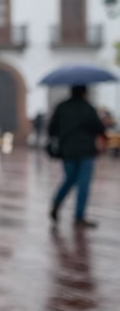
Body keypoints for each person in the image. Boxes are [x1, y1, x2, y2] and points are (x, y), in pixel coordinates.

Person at [48, 85, 107, 227]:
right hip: (86, 151)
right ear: (84, 93)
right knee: (84, 184)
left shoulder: (61, 107)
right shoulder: (88, 108)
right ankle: (79, 217)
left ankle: (56, 202)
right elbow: (100, 128)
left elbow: (51, 129)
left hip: (67, 151)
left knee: (69, 180)